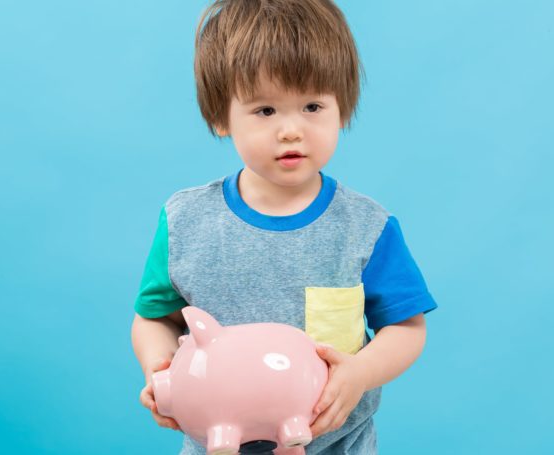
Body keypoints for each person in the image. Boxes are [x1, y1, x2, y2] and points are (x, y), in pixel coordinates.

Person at [130, 0, 438, 453]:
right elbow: (154, 316)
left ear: (343, 109)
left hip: (336, 443)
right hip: (218, 443)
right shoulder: (186, 222)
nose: (291, 130)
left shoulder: (365, 227)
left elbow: (406, 328)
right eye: (265, 111)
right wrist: (160, 371)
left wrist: (359, 373)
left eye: (313, 106)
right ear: (221, 117)